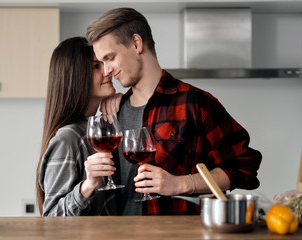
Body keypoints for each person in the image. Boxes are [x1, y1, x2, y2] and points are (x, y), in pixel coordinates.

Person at [86, 8, 262, 215]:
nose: (106, 71)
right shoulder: (114, 112)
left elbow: (245, 166)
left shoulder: (195, 103)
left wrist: (181, 184)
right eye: (102, 62)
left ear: (136, 44)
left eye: (111, 58)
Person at [36, 37, 119, 216]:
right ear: (75, 77)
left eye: (105, 63)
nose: (108, 71)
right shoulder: (68, 138)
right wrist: (87, 185)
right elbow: (51, 218)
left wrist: (124, 103)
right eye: (96, 66)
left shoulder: (98, 129)